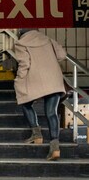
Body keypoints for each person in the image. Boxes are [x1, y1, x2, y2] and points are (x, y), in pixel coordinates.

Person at [13, 29, 67, 161]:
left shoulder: (21, 43)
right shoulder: (47, 39)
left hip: (35, 78)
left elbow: (25, 64)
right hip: (53, 78)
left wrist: (19, 79)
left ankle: (37, 134)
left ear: (21, 33)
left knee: (25, 103)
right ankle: (55, 147)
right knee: (51, 112)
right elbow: (62, 55)